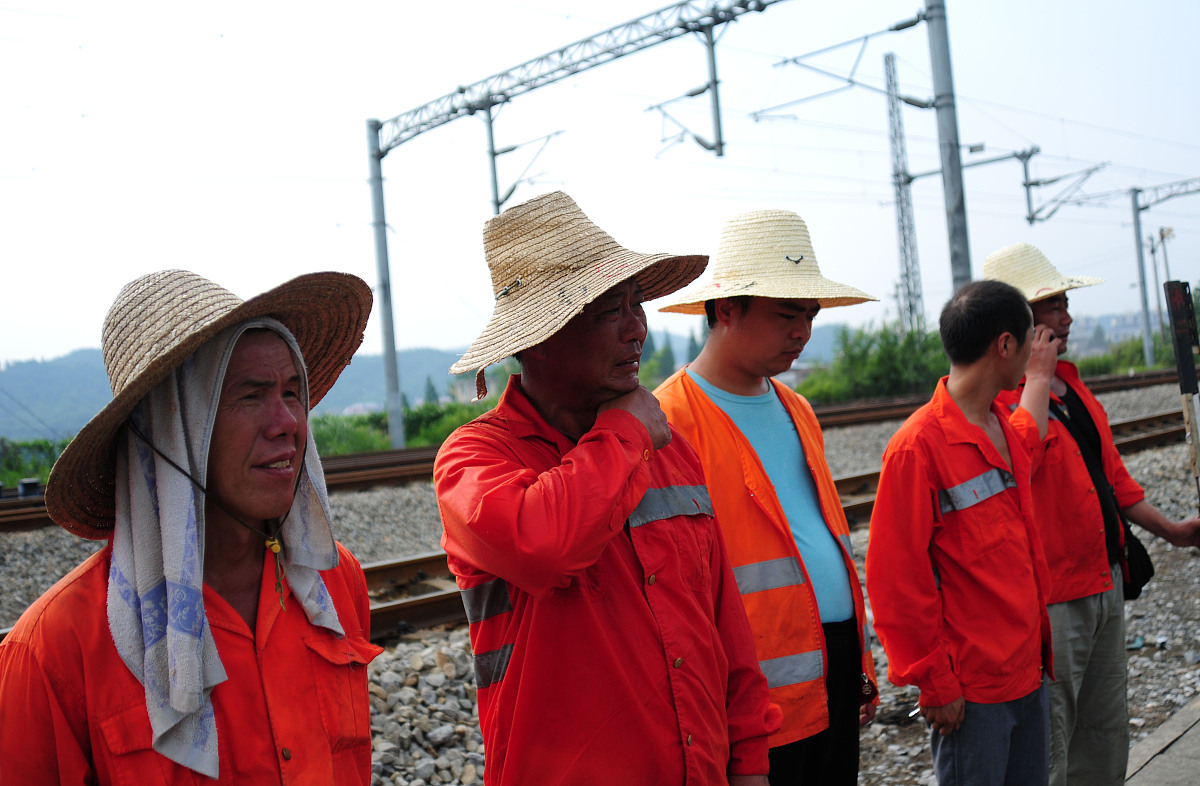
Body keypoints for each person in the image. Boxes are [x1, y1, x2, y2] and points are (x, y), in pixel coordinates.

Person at [434, 191, 781, 786]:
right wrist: (623, 432)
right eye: (608, 310)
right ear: (539, 337)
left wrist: (749, 759)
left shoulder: (668, 451)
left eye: (637, 304)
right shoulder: (473, 460)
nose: (637, 328)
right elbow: (546, 545)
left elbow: (724, 623)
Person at [0, 269, 382, 784]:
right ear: (171, 430)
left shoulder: (334, 585)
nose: (289, 423)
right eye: (251, 395)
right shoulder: (54, 650)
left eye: (293, 392)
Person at [652, 209, 879, 785]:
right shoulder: (669, 422)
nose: (803, 331)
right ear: (727, 309)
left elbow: (824, 538)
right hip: (749, 691)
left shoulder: (797, 408)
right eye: (786, 313)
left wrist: (859, 664)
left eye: (810, 314)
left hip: (832, 662)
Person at [984, 242, 1200, 786]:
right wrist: (1035, 378)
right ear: (1017, 320)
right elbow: (1021, 464)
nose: (1067, 317)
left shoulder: (1072, 384)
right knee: (1053, 737)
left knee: (1104, 732)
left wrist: (1172, 531)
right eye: (1053, 306)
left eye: (1066, 304)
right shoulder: (997, 402)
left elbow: (1113, 479)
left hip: (1103, 581)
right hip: (1051, 597)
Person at [865, 279, 1060, 786]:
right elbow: (895, 581)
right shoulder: (918, 448)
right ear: (1005, 345)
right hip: (972, 695)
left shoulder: (1002, 426)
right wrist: (934, 681)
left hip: (1027, 673)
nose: (1034, 353)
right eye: (1030, 338)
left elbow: (1031, 436)